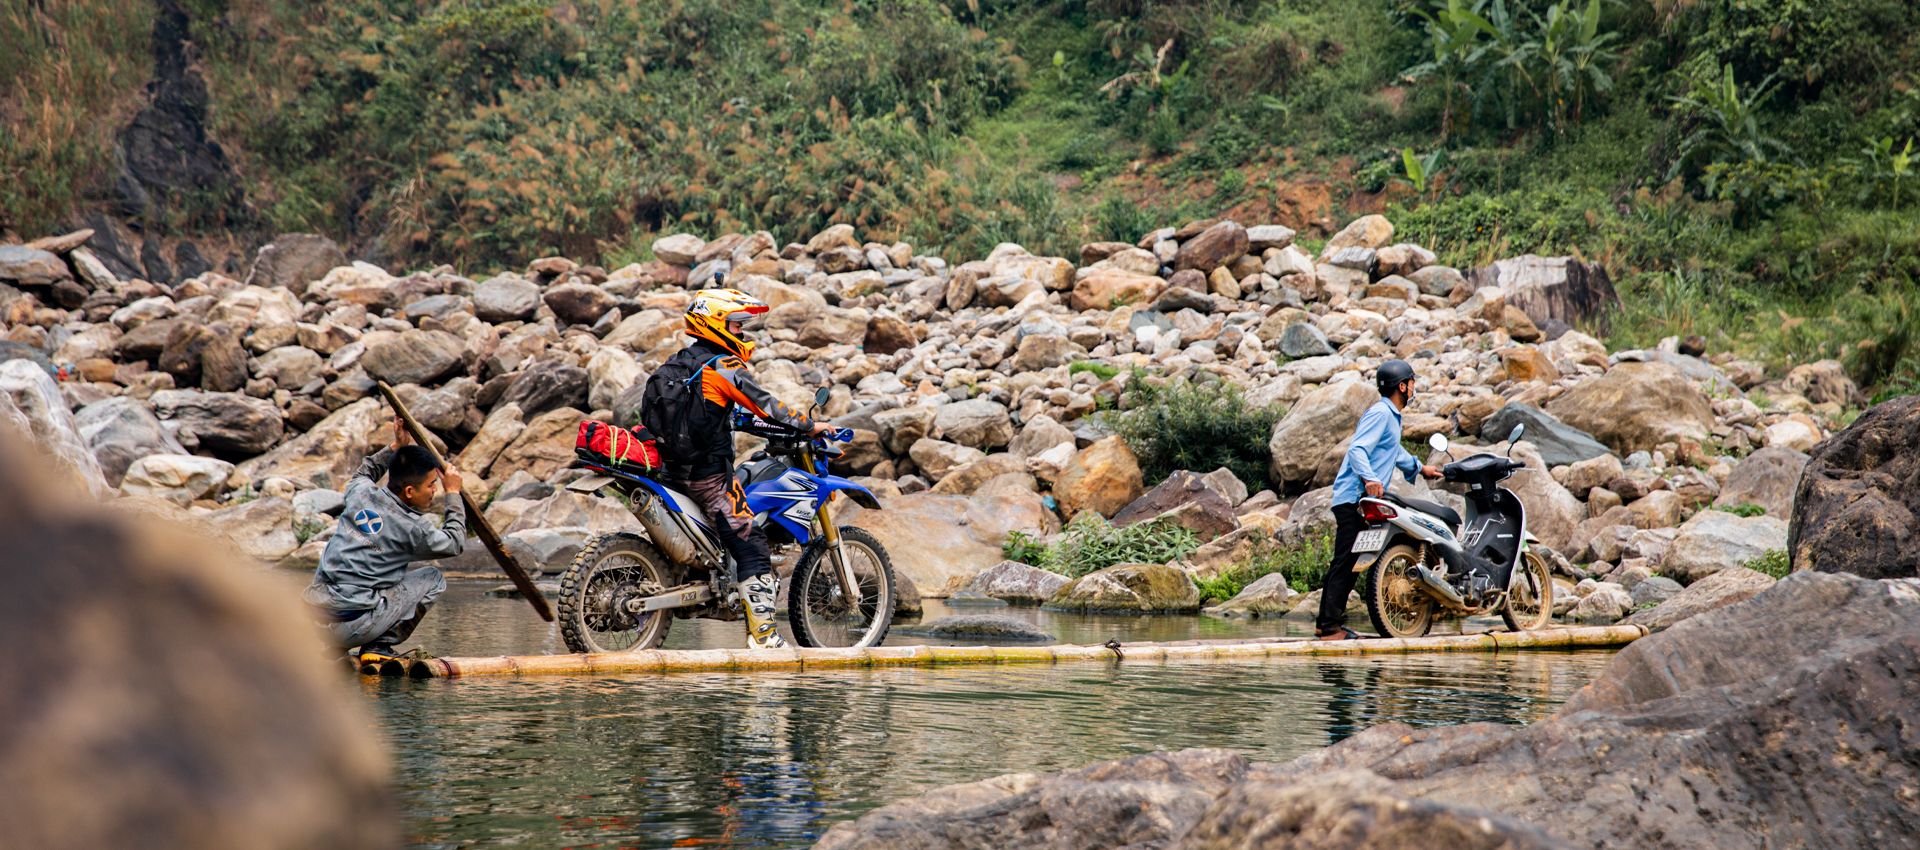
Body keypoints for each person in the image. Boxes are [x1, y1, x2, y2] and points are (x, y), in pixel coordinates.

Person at [641, 287, 831, 650]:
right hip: (707, 479)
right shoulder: (722, 366)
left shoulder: (676, 364)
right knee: (752, 545)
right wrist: (809, 426)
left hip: (670, 472)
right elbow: (764, 405)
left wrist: (777, 427)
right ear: (715, 324)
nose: (742, 332)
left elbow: (736, 416)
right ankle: (764, 635)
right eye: (736, 324)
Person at [302, 417, 464, 663]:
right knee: (433, 578)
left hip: (312, 622)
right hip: (352, 628)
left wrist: (394, 447)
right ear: (410, 492)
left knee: (377, 578)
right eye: (432, 485)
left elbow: (365, 471)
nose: (435, 490)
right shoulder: (413, 528)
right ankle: (380, 645)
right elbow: (454, 542)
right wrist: (453, 494)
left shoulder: (360, 492)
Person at [1316, 359, 1443, 641]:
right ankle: (1328, 628)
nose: (1413, 388)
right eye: (1411, 383)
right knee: (1345, 561)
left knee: (1349, 561)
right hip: (1353, 499)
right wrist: (1371, 479)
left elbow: (1393, 451)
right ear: (1402, 386)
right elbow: (1358, 449)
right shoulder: (1381, 414)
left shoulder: (1390, 416)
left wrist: (1420, 468)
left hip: (1359, 500)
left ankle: (1326, 624)